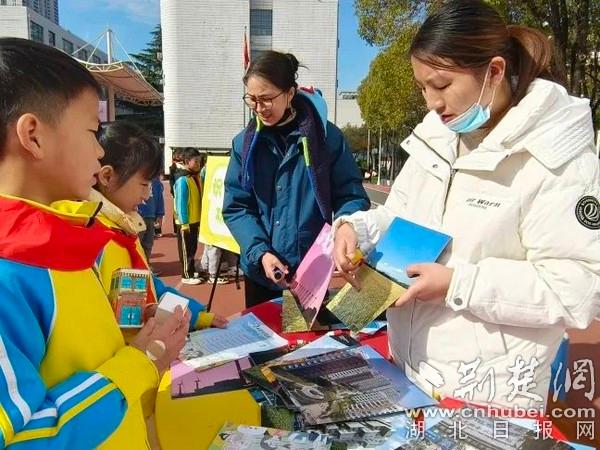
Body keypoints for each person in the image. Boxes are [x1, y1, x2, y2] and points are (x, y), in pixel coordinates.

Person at [333, 0, 600, 409]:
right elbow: (399, 213)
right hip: (412, 371)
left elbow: (578, 287)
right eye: (422, 87)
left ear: (493, 71)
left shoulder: (555, 158)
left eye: (441, 85)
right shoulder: (436, 137)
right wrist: (357, 229)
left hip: (491, 391)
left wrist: (458, 284)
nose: (432, 103)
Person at [0, 37, 190, 448]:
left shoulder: (64, 238)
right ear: (33, 136)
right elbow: (22, 438)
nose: (100, 149)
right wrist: (139, 363)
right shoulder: (11, 267)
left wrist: (138, 341)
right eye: (92, 131)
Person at [223, 50, 370, 307]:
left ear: (290, 93)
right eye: (252, 99)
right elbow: (237, 206)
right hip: (261, 271)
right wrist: (260, 253)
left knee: (305, 344)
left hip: (310, 269)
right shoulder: (244, 144)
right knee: (264, 342)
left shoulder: (325, 139)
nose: (259, 109)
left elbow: (351, 195)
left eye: (267, 99)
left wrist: (345, 228)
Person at [93, 121, 228, 331]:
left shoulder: (122, 231)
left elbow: (151, 289)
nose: (147, 196)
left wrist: (198, 317)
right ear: (107, 176)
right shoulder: (91, 241)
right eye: (144, 185)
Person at [174, 148, 203, 284]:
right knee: (186, 249)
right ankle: (186, 275)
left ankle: (191, 270)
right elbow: (181, 203)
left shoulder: (195, 178)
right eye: (195, 161)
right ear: (187, 162)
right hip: (186, 222)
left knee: (192, 247)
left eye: (199, 161)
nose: (198, 164)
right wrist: (184, 222)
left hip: (195, 220)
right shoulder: (182, 180)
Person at [138, 176, 165, 263]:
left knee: (148, 244)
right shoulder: (134, 176)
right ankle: (137, 268)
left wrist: (160, 214)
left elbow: (159, 198)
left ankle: (146, 266)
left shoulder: (155, 181)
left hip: (150, 216)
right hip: (136, 216)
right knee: (136, 245)